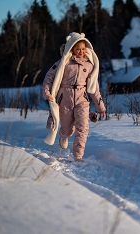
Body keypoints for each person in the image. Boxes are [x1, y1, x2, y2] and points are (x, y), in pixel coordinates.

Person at [43, 32, 106, 162]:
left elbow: (94, 88)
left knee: (82, 128)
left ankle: (78, 155)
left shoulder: (89, 65)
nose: (81, 51)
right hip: (64, 98)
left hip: (82, 99)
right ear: (71, 48)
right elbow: (48, 78)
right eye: (78, 49)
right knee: (67, 129)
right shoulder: (63, 63)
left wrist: (100, 107)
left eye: (83, 49)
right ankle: (64, 136)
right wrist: (47, 94)